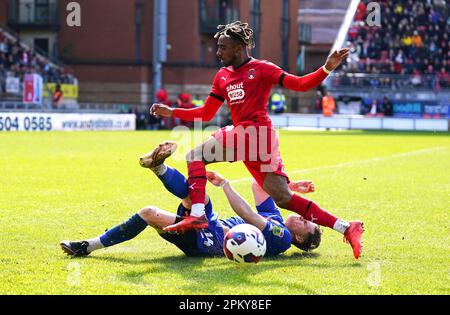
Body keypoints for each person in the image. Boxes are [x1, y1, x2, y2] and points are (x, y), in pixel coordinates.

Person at [150, 21, 363, 259]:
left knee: (195, 156)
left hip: (256, 132)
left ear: (239, 48)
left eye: (222, 47)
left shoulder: (262, 68)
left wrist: (326, 68)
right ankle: (346, 227)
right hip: (256, 138)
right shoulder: (222, 76)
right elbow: (206, 113)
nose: (218, 53)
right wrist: (173, 112)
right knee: (283, 198)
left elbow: (300, 84)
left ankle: (198, 213)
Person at [60, 142, 321, 258]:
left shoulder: (283, 238)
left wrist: (227, 185)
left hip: (210, 241)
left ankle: (159, 169)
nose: (302, 216)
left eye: (307, 224)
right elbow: (258, 184)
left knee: (171, 205)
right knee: (186, 200)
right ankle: (157, 167)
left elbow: (248, 217)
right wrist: (289, 187)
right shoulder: (277, 218)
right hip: (211, 226)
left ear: (299, 238)